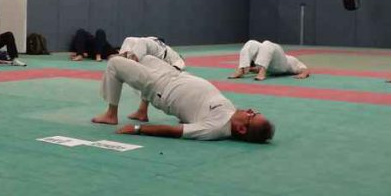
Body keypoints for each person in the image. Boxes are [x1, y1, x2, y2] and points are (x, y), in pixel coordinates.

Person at [92, 54, 274, 143]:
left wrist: (138, 129)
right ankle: (142, 111)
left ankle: (111, 114)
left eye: (251, 115)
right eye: (254, 112)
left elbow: (174, 131)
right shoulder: (232, 115)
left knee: (115, 63)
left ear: (241, 129)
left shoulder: (215, 128)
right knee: (146, 57)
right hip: (173, 75)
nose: (250, 110)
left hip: (160, 88)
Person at [229, 40, 309, 81]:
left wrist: (304, 74)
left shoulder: (291, 60)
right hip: (269, 66)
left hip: (282, 66)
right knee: (251, 43)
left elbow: (305, 69)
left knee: (267, 43)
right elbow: (257, 68)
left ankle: (262, 72)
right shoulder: (263, 58)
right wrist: (249, 69)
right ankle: (241, 68)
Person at [118, 36, 185, 70]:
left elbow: (176, 69)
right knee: (131, 40)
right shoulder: (177, 58)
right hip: (156, 47)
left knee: (132, 40)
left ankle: (123, 61)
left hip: (157, 50)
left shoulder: (178, 59)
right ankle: (122, 60)